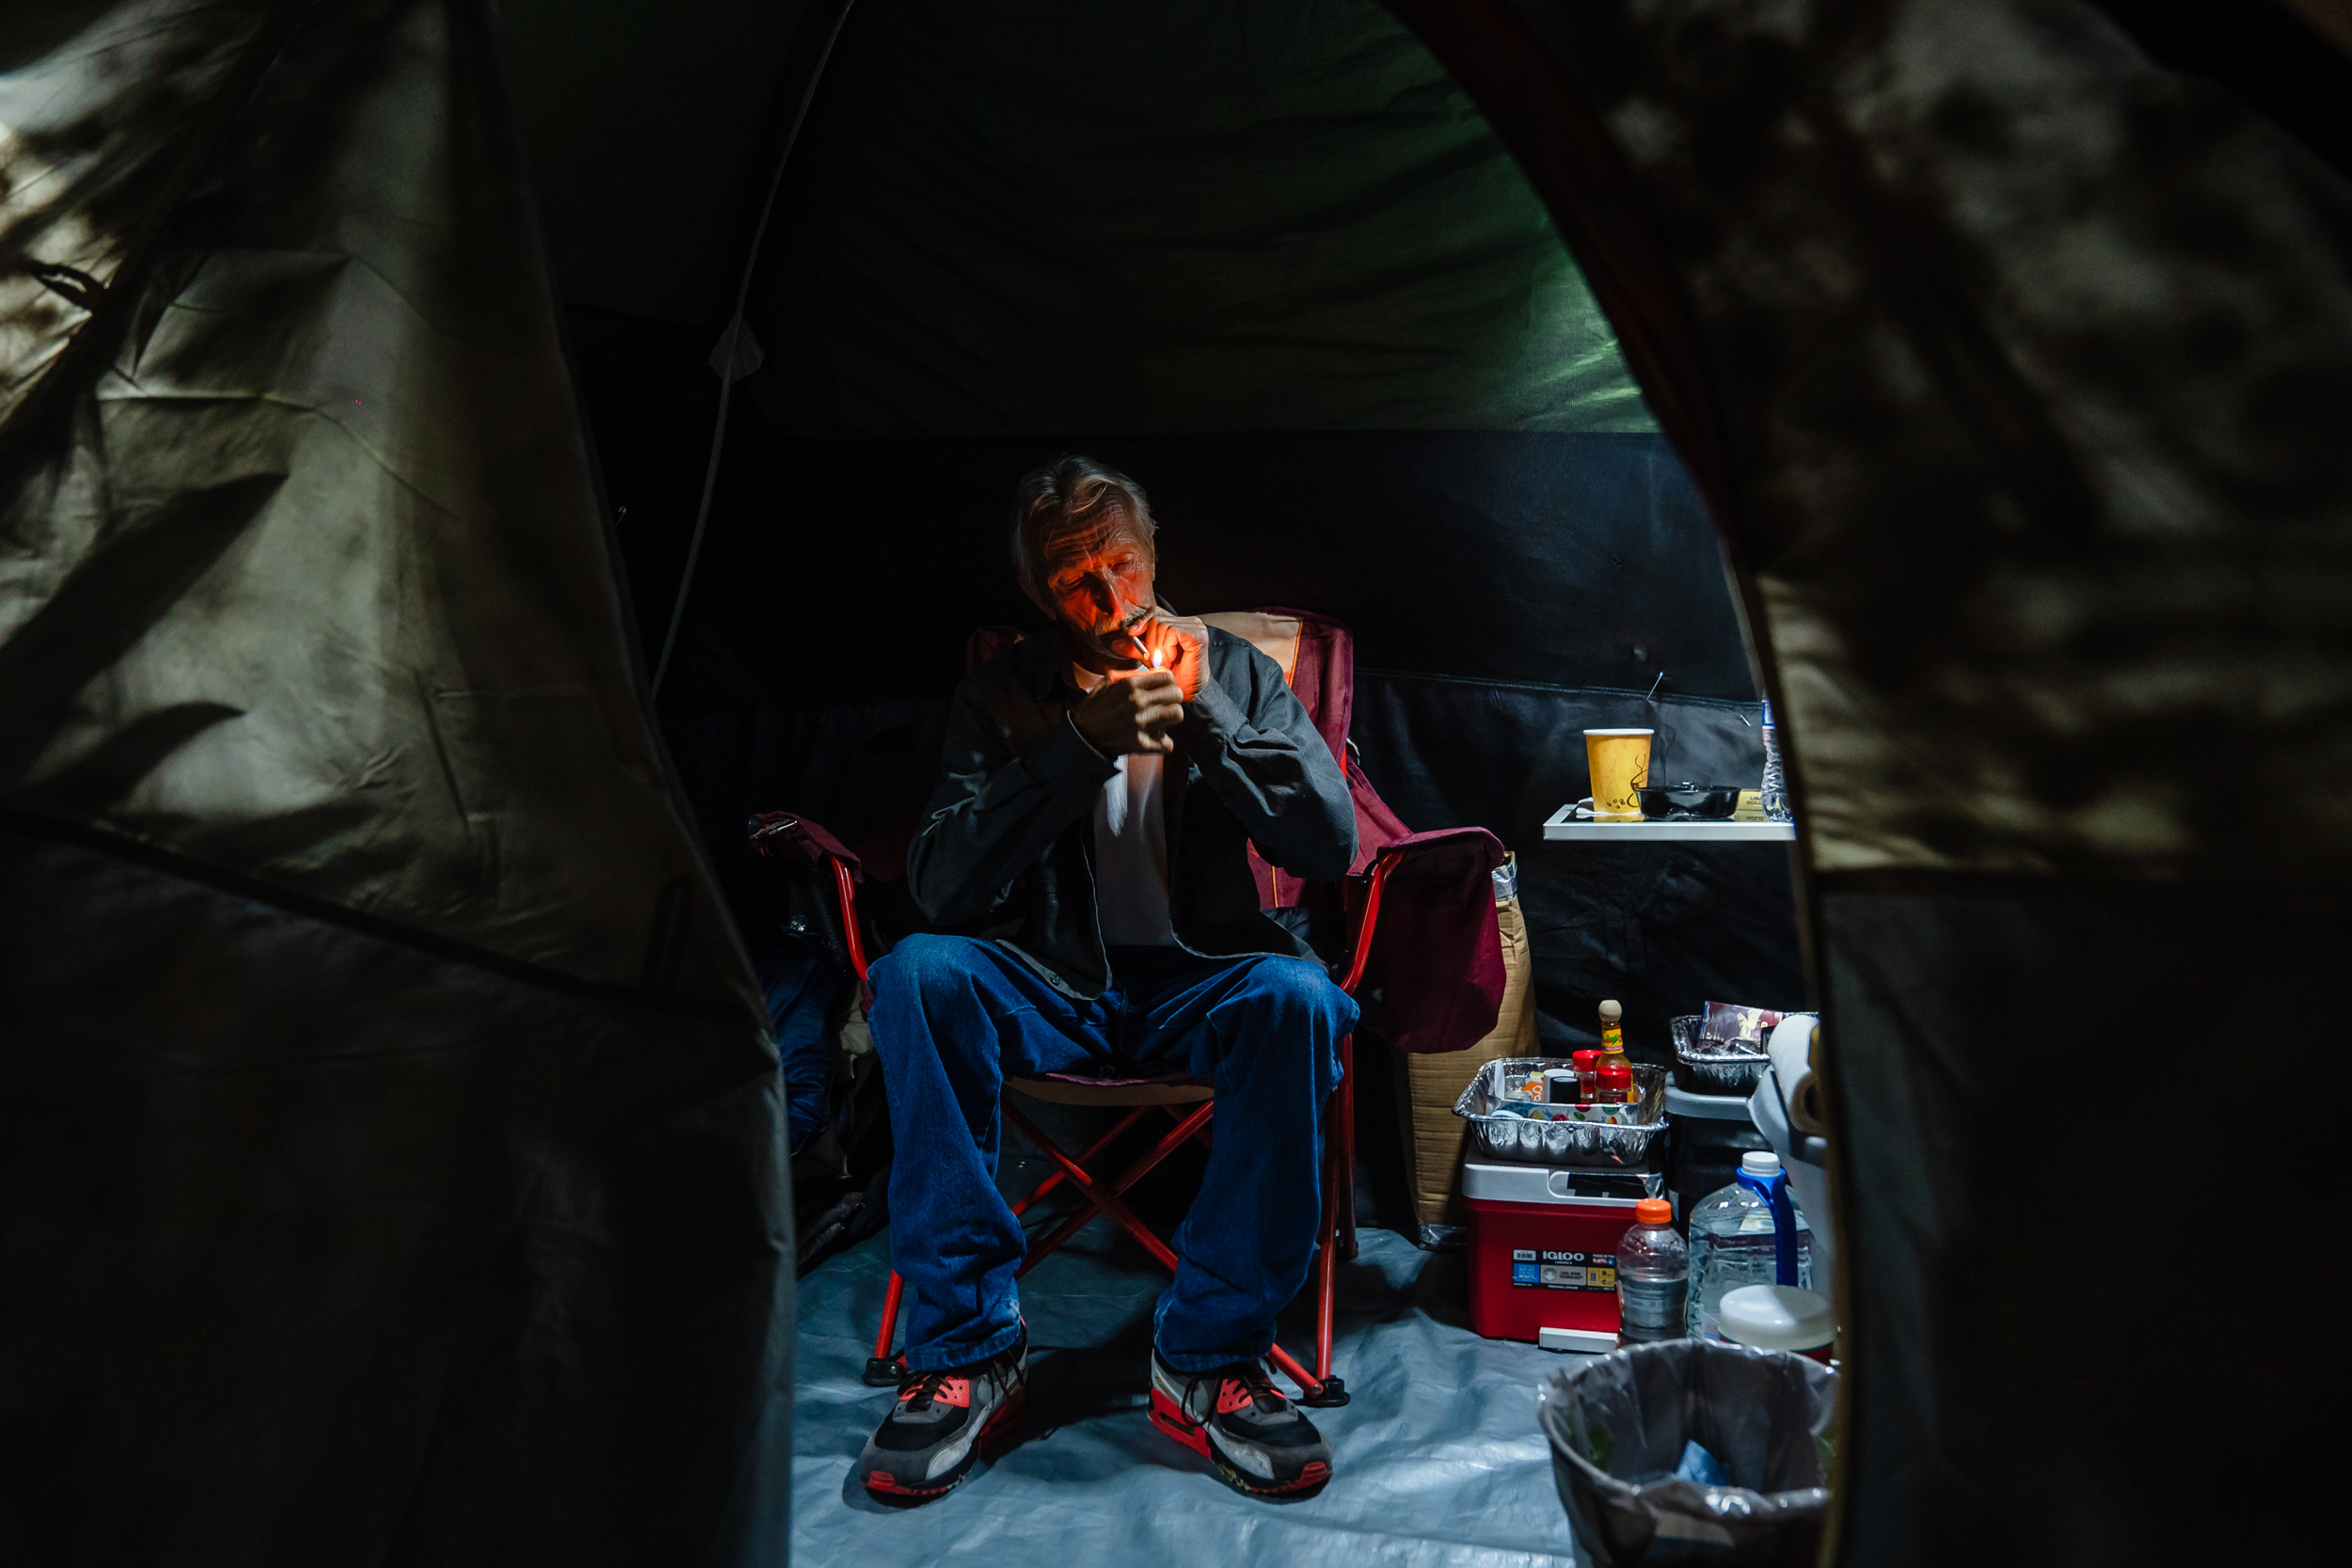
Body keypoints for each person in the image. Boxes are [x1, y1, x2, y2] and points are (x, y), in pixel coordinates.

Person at [857, 456, 1359, 1501]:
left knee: (1299, 997)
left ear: (1154, 555)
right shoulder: (1002, 693)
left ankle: (1212, 1357)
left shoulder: (1236, 669)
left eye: (1121, 563)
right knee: (918, 972)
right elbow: (942, 883)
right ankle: (967, 1350)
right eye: (1074, 576)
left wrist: (1207, 710)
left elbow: (1325, 840)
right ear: (1042, 593)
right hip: (1049, 985)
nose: (1108, 598)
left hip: (1196, 980)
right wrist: (1076, 745)